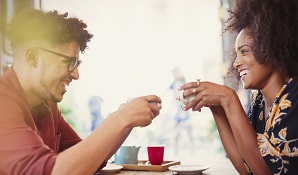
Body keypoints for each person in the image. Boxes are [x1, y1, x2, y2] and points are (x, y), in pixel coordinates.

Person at [0, 8, 162, 175]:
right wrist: (120, 119)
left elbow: (87, 159)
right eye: (69, 62)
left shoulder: (47, 104)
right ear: (33, 57)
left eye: (77, 64)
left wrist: (127, 119)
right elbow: (49, 172)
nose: (76, 75)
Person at [178, 0, 298, 174]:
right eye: (236, 53)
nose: (236, 63)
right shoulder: (258, 102)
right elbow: (246, 166)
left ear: (271, 47)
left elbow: (265, 172)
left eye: (245, 51)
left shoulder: (294, 96)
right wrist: (217, 107)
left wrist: (229, 98)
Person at [170, 67, 193, 155]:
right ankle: (174, 153)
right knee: (174, 135)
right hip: (177, 113)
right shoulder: (173, 84)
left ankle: (192, 152)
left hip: (185, 112)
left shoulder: (184, 82)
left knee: (189, 134)